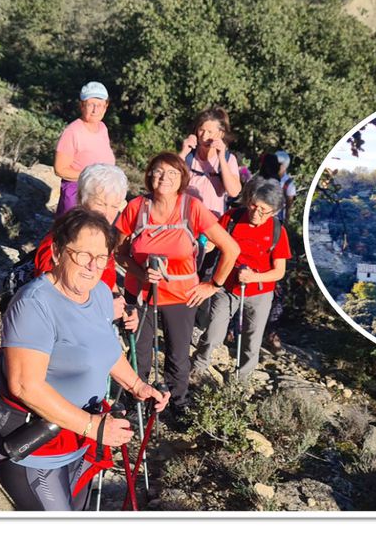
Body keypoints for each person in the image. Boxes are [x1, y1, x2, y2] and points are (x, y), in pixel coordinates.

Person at [0, 209, 169, 510]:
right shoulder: (34, 304)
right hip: (37, 447)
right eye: (83, 254)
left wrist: (137, 386)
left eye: (101, 258)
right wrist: (95, 428)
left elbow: (105, 350)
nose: (93, 266)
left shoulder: (97, 293)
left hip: (79, 438)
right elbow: (25, 386)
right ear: (57, 252)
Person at [114, 153, 240, 426]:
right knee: (140, 352)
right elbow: (119, 252)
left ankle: (178, 403)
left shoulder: (191, 208)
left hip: (183, 295)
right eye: (159, 172)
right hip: (141, 294)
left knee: (178, 356)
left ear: (183, 178)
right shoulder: (136, 207)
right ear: (149, 175)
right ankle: (137, 403)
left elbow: (231, 248)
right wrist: (139, 272)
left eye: (172, 173)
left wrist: (213, 285)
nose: (164, 178)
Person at [192, 178, 291, 383]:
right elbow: (213, 241)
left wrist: (254, 277)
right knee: (214, 331)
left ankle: (241, 380)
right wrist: (203, 245)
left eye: (264, 210)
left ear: (274, 211)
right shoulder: (231, 218)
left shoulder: (277, 231)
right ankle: (198, 366)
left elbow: (279, 271)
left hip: (260, 292)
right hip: (226, 286)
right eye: (253, 205)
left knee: (252, 339)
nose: (256, 212)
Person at [34, 163, 137, 331]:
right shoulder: (60, 240)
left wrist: (123, 306)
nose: (107, 213)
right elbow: (48, 300)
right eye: (101, 203)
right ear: (81, 197)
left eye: (114, 206)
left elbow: (107, 279)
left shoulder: (102, 240)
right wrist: (104, 310)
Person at [53, 81, 116, 217]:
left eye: (99, 105)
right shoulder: (72, 132)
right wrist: (92, 175)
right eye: (90, 104)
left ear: (105, 107)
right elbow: (60, 169)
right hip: (77, 194)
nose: (95, 110)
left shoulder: (102, 128)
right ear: (81, 106)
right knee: (72, 234)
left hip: (99, 194)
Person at [256, 150, 297, 350]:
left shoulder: (256, 180)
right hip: (274, 234)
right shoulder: (287, 184)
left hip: (266, 234)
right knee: (275, 284)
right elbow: (288, 210)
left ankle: (235, 329)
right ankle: (270, 332)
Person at [178, 106, 242, 218]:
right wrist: (183, 153)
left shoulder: (228, 159)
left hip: (213, 223)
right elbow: (167, 181)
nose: (204, 136)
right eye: (201, 130)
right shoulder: (188, 156)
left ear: (221, 134)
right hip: (185, 221)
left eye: (210, 132)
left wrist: (221, 157)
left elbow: (234, 192)